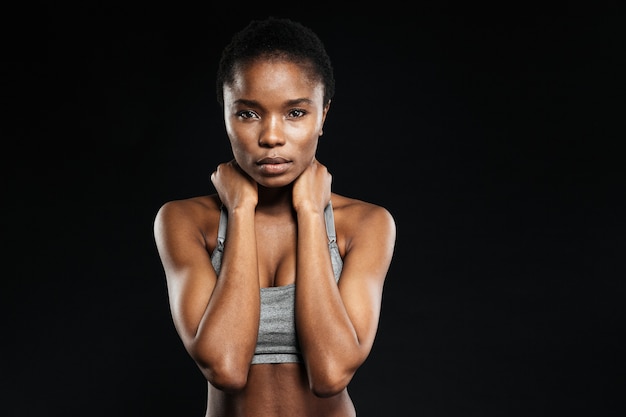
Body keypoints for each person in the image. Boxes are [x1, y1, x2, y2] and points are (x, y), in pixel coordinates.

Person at [153, 16, 396, 417]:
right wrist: (240, 209)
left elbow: (331, 374)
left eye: (295, 113)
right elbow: (226, 367)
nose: (271, 136)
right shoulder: (183, 221)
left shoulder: (366, 224)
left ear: (323, 116)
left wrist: (311, 212)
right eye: (248, 113)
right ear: (226, 114)